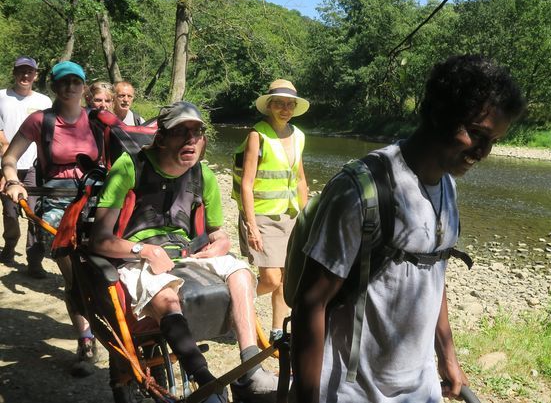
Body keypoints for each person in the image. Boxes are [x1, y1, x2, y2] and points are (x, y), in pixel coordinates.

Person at [290, 55, 526, 403]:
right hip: (351, 392)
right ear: (438, 112)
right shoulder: (360, 190)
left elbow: (432, 271)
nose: (483, 152)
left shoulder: (448, 186)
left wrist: (447, 357)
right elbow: (311, 303)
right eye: (476, 134)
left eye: (494, 141)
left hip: (421, 388)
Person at [90, 101, 278, 403]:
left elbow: (219, 233)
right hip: (134, 255)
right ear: (162, 137)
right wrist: (145, 250)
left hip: (187, 252)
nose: (191, 139)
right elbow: (99, 239)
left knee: (241, 272)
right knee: (166, 294)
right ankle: (204, 382)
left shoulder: (203, 175)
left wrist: (220, 245)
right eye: (182, 131)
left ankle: (250, 367)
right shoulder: (129, 167)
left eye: (197, 131)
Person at [2, 60, 101, 375]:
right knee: (73, 276)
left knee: (107, 268)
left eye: (76, 81)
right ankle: (86, 339)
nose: (71, 87)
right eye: (64, 82)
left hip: (95, 200)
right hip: (55, 202)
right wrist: (14, 181)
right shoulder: (39, 121)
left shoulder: (98, 121)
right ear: (55, 87)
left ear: (83, 86)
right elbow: (10, 158)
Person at [232, 79, 309, 343]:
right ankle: (236, 300)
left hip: (290, 216)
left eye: (290, 104)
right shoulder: (258, 135)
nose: (285, 109)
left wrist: (308, 217)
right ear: (269, 106)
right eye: (279, 103)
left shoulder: (298, 136)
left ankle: (278, 329)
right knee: (271, 277)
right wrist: (251, 225)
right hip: (262, 217)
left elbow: (299, 180)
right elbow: (247, 183)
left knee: (287, 278)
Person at [0, 56, 52, 277]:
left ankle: (34, 260)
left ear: (35, 75)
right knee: (11, 213)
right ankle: (10, 245)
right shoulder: (2, 97)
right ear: (14, 73)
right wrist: (6, 169)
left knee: (34, 213)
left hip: (33, 166)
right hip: (7, 163)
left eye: (29, 72)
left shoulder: (44, 101)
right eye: (21, 71)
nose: (25, 75)